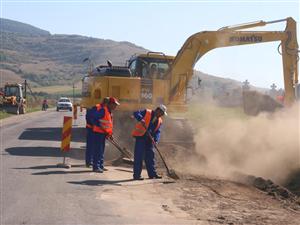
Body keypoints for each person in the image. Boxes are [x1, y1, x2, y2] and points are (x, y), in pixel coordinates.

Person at [131, 104, 167, 180]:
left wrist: (156, 140)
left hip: (150, 140)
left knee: (150, 156)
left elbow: (158, 132)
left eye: (163, 114)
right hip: (141, 136)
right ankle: (137, 176)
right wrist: (141, 119)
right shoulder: (147, 112)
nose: (162, 115)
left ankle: (152, 174)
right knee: (139, 156)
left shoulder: (160, 120)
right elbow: (135, 113)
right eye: (162, 113)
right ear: (158, 110)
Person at [92, 97, 120, 173]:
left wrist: (110, 134)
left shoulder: (110, 112)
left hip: (104, 134)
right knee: (98, 150)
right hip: (98, 133)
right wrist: (99, 125)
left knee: (102, 150)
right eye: (114, 104)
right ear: (110, 104)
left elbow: (108, 125)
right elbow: (94, 118)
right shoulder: (103, 110)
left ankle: (100, 165)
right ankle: (96, 167)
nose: (115, 106)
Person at [85, 97, 110, 168]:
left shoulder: (106, 110)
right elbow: (89, 117)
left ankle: (99, 164)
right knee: (91, 146)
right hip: (91, 130)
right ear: (106, 103)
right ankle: (89, 162)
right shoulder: (97, 107)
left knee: (99, 148)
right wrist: (95, 125)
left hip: (99, 131)